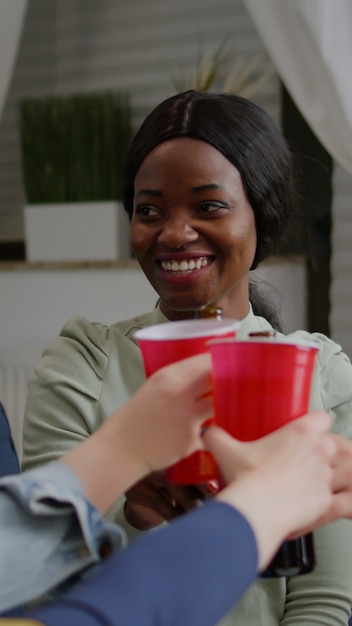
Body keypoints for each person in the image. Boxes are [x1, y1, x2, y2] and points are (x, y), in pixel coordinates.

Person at [22, 90, 352, 625]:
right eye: (149, 210)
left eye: (209, 206)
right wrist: (133, 516)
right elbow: (44, 579)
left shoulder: (325, 378)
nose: (174, 233)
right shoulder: (81, 363)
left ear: (259, 216)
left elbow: (323, 603)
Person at [0, 355, 338, 623]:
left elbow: (324, 600)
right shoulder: (80, 360)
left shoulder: (325, 369)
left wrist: (121, 450)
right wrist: (259, 507)